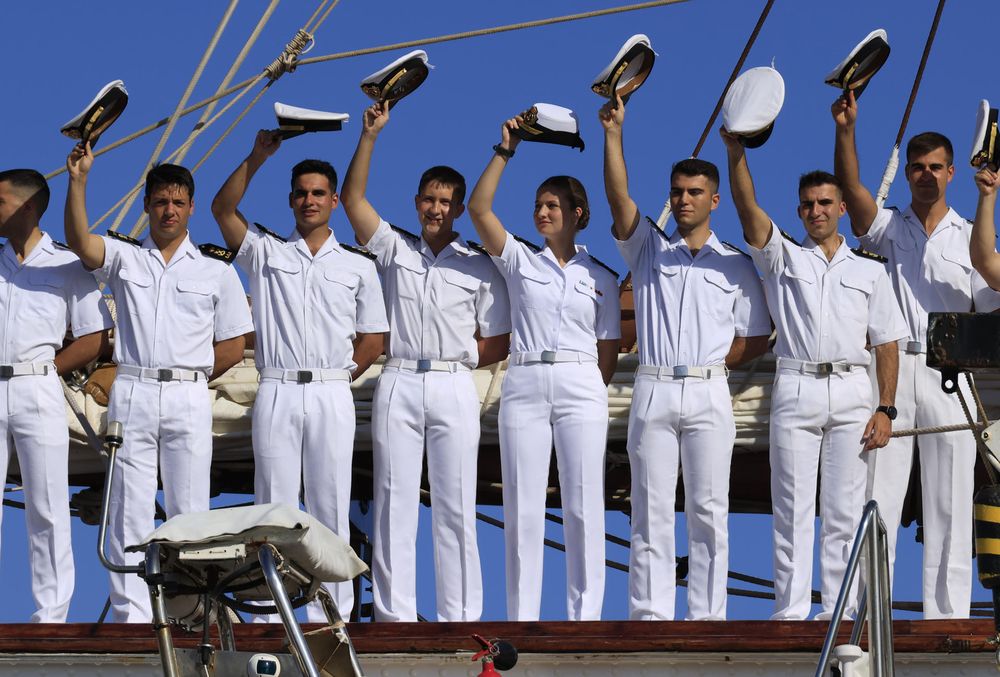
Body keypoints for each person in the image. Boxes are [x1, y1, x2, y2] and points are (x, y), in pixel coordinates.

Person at [722, 130, 908, 620]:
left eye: (825, 202)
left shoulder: (871, 270)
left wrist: (886, 407)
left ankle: (840, 609)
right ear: (799, 210)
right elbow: (747, 208)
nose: (816, 211)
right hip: (797, 383)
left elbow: (887, 342)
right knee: (791, 505)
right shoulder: (782, 257)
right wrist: (735, 152)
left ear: (841, 208)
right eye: (807, 204)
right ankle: (790, 609)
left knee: (843, 509)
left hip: (852, 387)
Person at [65, 145, 253, 623]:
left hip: (189, 391)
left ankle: (192, 609)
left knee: (190, 507)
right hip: (133, 388)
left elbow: (233, 345)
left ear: (191, 207)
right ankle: (133, 616)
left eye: (178, 202)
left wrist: (190, 379)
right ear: (148, 207)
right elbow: (81, 243)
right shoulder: (126, 258)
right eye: (160, 202)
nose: (169, 211)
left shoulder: (216, 269)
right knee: (128, 504)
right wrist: (79, 181)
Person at [600, 95, 771, 621]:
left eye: (694, 192)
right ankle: (648, 615)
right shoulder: (649, 249)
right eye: (676, 192)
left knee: (708, 509)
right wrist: (613, 134)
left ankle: (707, 616)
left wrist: (718, 362)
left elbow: (758, 336)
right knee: (648, 509)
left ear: (714, 200)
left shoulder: (737, 266)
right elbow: (619, 198)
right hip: (652, 384)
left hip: (707, 387)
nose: (682, 200)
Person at [340, 101, 510, 622]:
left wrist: (454, 362)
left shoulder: (479, 267)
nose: (436, 209)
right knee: (393, 499)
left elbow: (497, 341)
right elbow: (352, 200)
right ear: (416, 202)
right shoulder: (394, 249)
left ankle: (460, 615)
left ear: (459, 209)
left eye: (446, 202)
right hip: (398, 380)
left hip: (453, 383)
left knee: (455, 501)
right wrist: (369, 136)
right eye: (429, 200)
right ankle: (394, 613)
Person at [833, 90, 1000, 618]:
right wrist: (846, 129)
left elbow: (989, 307)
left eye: (935, 167)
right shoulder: (889, 229)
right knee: (877, 491)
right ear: (907, 174)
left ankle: (945, 613)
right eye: (917, 168)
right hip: (894, 368)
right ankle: (868, 608)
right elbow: (854, 195)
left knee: (951, 496)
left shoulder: (972, 237)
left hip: (951, 371)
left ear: (952, 172)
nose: (926, 175)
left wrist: (989, 197)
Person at [211, 131, 388, 621]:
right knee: (273, 504)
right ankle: (270, 612)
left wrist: (340, 375)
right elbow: (223, 210)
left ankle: (334, 613)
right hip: (278, 388)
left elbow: (374, 338)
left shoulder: (357, 266)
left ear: (333, 200)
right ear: (290, 200)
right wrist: (258, 155)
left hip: (331, 389)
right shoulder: (267, 253)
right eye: (300, 193)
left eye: (317, 193)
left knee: (330, 504)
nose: (309, 201)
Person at [467, 115, 620, 622]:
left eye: (552, 205)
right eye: (537, 206)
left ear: (578, 213)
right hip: (527, 379)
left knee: (581, 503)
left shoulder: (600, 276)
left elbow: (608, 351)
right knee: (524, 504)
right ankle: (522, 619)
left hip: (581, 382)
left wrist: (585, 388)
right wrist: (504, 149)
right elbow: (479, 208)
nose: (541, 213)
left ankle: (585, 618)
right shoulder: (519, 260)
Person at [0, 168, 112, 622]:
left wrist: (50, 369)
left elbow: (97, 334)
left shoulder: (65, 265)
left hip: (37, 385)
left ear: (28, 207)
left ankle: (51, 614)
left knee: (46, 504)